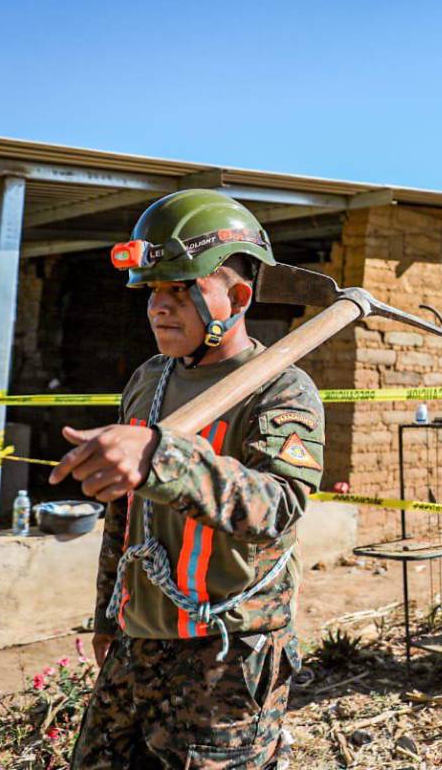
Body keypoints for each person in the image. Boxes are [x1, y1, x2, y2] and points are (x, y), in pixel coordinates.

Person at [55, 190, 325, 769]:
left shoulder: (281, 389)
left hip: (225, 655)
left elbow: (277, 506)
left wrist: (162, 456)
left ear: (239, 296)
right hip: (137, 643)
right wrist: (109, 615)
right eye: (152, 291)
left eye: (180, 289)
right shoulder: (148, 380)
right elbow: (123, 518)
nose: (159, 307)